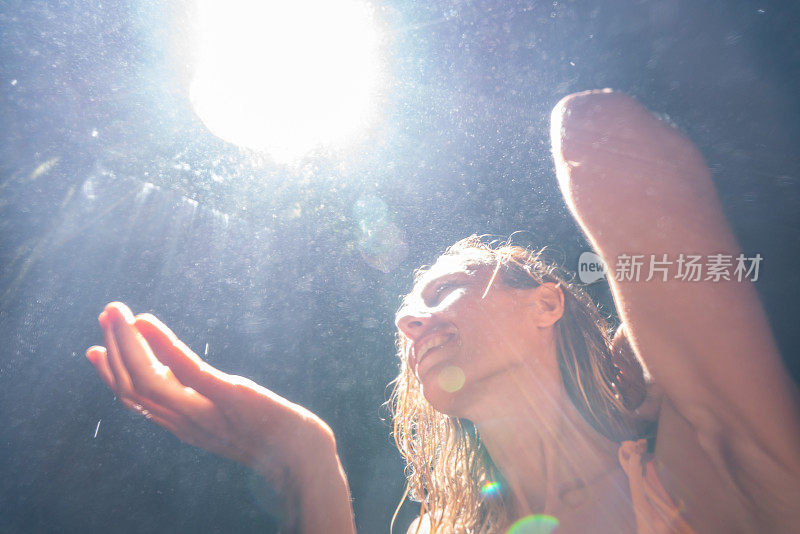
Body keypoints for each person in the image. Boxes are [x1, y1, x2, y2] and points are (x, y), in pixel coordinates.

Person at [85, 90, 800, 533]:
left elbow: (598, 136)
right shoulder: (440, 529)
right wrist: (306, 465)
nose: (408, 321)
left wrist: (656, 345)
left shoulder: (692, 461)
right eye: (406, 309)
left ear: (547, 302)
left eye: (444, 288)